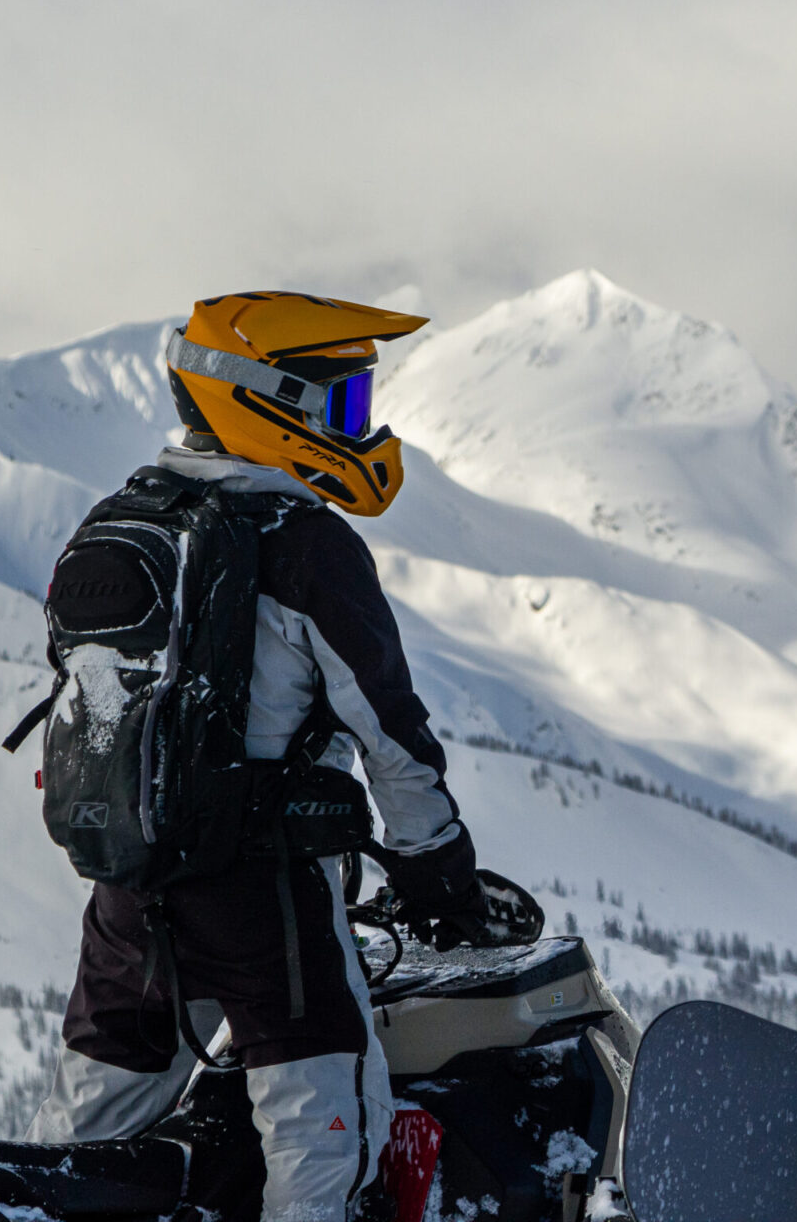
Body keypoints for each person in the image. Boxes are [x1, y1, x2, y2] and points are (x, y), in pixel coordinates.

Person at [26, 291, 489, 1221]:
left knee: (80, 1153)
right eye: (345, 404)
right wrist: (444, 878)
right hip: (263, 902)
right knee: (323, 1147)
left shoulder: (121, 522)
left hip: (127, 896)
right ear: (275, 403)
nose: (361, 426)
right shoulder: (306, 548)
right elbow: (390, 734)